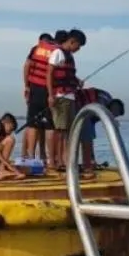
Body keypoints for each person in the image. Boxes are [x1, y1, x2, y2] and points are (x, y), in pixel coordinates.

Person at [47, 29, 86, 172]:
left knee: (68, 130)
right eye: (78, 45)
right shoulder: (58, 53)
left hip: (70, 96)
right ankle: (58, 160)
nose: (78, 49)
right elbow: (49, 73)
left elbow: (69, 74)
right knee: (60, 130)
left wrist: (77, 81)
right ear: (72, 41)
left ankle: (65, 160)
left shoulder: (70, 56)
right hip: (60, 97)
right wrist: (51, 95)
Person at [22, 32, 57, 163]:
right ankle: (50, 159)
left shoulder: (35, 49)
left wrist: (26, 86)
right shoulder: (55, 51)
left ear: (40, 41)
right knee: (49, 125)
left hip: (34, 88)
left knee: (32, 123)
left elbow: (26, 66)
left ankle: (31, 156)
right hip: (49, 91)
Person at [75, 88, 125, 177]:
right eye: (114, 114)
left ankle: (90, 160)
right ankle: (88, 164)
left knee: (90, 135)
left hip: (84, 110)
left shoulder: (106, 101)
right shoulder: (102, 104)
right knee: (87, 137)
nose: (113, 116)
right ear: (114, 107)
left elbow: (92, 127)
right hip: (81, 108)